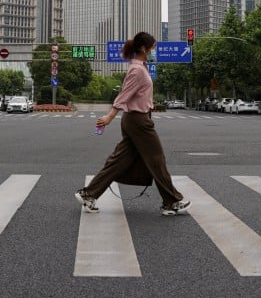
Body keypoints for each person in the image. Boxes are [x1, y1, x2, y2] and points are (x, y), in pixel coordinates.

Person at [75, 32, 191, 217]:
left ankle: (88, 194)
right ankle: (172, 201)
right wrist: (110, 117)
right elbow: (124, 95)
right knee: (157, 160)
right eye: (153, 47)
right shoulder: (137, 70)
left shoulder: (140, 67)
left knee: (119, 161)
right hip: (139, 121)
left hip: (136, 120)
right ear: (144, 48)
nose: (155, 51)